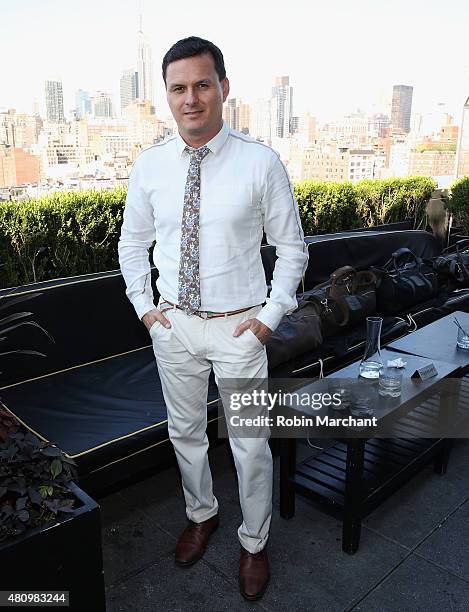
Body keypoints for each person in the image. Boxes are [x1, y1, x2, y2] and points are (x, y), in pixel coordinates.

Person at [118, 36, 308, 601]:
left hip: (239, 328)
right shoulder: (149, 166)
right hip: (173, 326)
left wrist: (270, 316)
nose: (191, 98)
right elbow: (133, 244)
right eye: (179, 88)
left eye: (203, 85)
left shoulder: (260, 162)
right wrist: (146, 310)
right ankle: (202, 515)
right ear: (167, 97)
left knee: (250, 442)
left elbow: (292, 249)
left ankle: (254, 542)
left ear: (224, 87)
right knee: (186, 433)